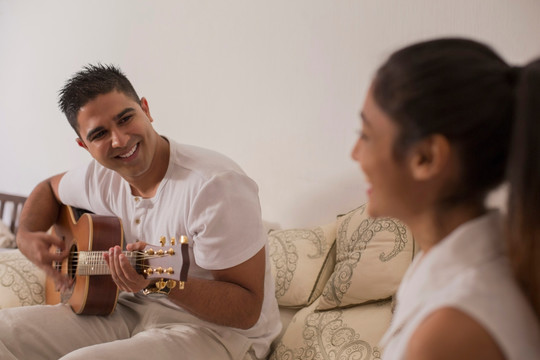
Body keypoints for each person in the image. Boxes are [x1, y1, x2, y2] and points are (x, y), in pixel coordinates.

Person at [0, 64, 281, 359]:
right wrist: (26, 235)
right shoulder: (99, 178)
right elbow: (48, 188)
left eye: (125, 118)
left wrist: (157, 280)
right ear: (84, 145)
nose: (119, 140)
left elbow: (246, 310)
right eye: (99, 134)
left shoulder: (214, 186)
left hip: (220, 333)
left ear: (146, 110)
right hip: (131, 312)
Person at [351, 38, 540, 359]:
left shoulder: (449, 331)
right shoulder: (460, 262)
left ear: (426, 157)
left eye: (366, 135)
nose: (355, 155)